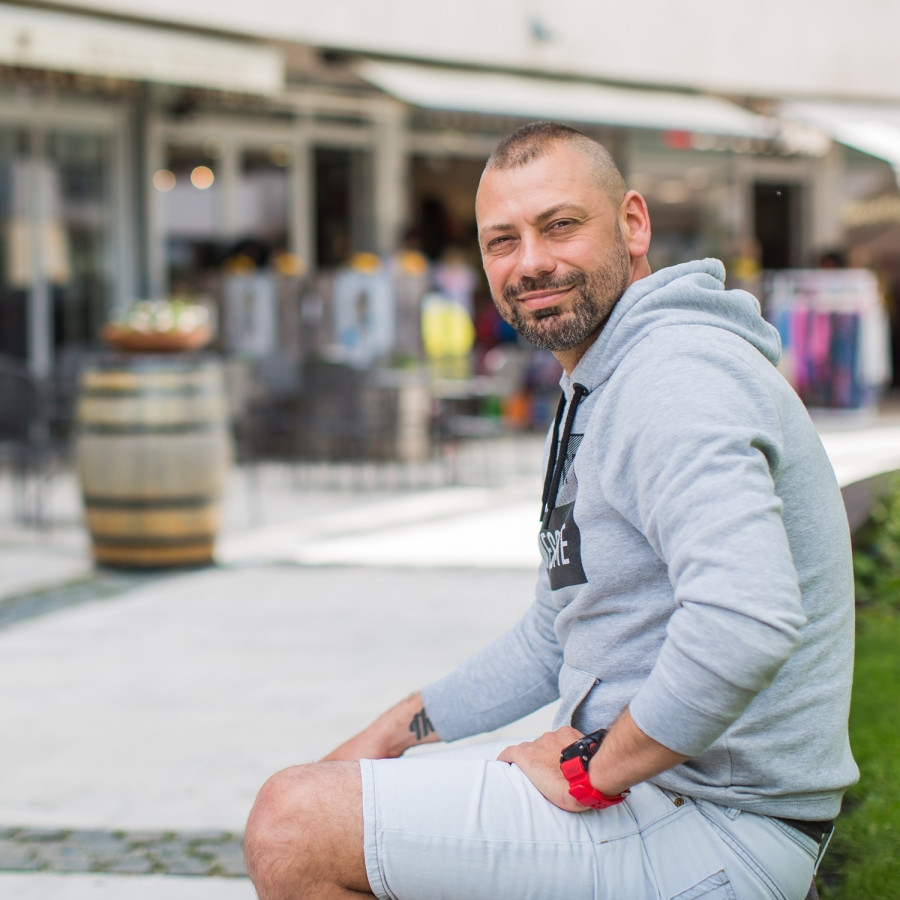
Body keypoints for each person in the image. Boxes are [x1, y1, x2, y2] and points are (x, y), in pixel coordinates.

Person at [243, 122, 859, 900]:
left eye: (559, 225)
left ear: (633, 224)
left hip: (719, 823)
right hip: (664, 795)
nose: (530, 262)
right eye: (502, 241)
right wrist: (393, 733)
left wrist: (593, 770)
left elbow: (746, 620)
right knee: (341, 794)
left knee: (291, 824)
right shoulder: (600, 381)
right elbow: (553, 633)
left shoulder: (673, 377)